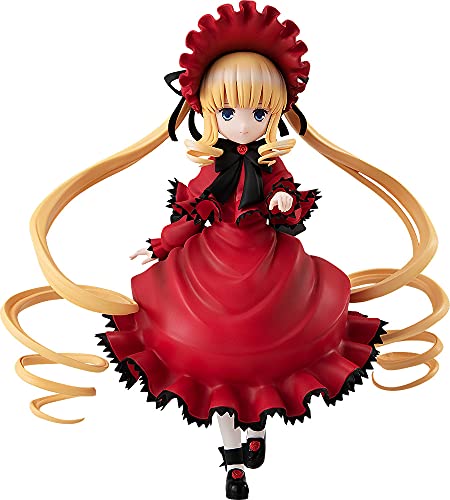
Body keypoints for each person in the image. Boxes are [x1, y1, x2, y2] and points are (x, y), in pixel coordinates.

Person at [1, 2, 447, 499]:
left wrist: (282, 202)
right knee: (213, 365)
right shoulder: (212, 171)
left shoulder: (273, 168)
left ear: (276, 114)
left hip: (270, 264)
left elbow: (289, 204)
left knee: (272, 355)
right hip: (209, 267)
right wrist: (160, 245)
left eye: (258, 112)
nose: (243, 123)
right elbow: (193, 215)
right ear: (209, 113)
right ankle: (233, 460)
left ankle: (258, 432)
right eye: (228, 112)